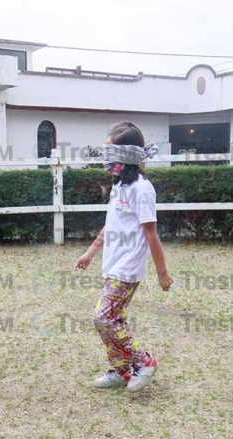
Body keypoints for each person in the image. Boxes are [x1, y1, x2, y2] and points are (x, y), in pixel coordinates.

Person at [74, 122, 174, 393]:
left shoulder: (142, 189)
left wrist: (162, 273)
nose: (105, 160)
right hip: (113, 264)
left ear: (126, 156)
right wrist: (91, 252)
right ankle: (120, 370)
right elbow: (112, 224)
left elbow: (151, 233)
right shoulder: (119, 185)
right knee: (114, 319)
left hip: (128, 267)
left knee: (103, 318)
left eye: (110, 153)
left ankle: (145, 361)